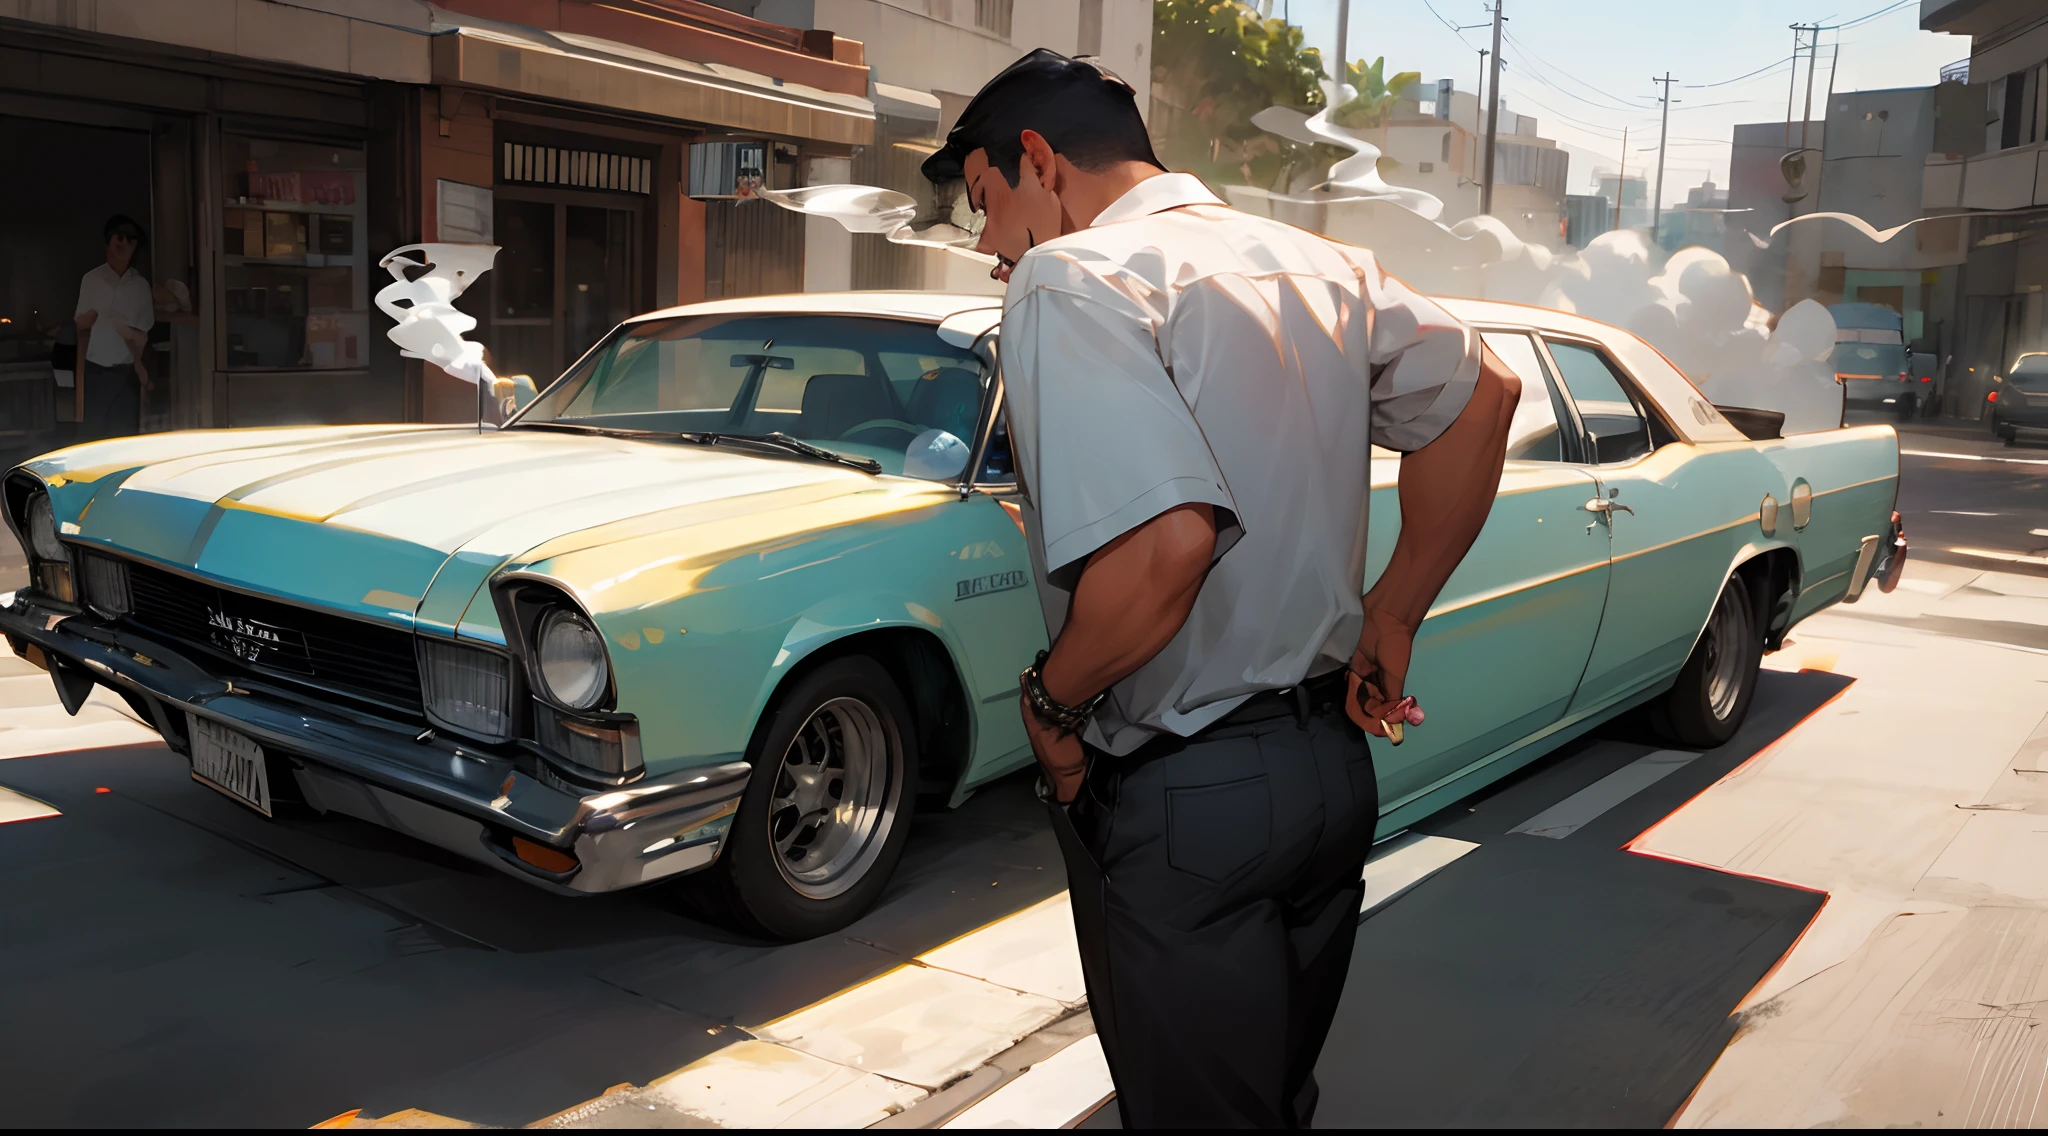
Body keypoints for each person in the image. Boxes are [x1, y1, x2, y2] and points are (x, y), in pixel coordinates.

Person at [921, 50, 1521, 1128]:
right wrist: (1392, 611)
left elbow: (1164, 548)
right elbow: (1484, 398)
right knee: (1273, 1098)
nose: (986, 243)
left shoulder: (1074, 277)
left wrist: (1049, 706)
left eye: (983, 201)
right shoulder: (1323, 264)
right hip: (1331, 773)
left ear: (1038, 161)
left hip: (1184, 789)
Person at [73, 214, 156, 439]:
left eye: (132, 240)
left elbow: (143, 337)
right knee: (90, 438)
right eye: (120, 237)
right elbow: (80, 327)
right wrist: (86, 321)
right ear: (108, 242)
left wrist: (126, 331)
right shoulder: (91, 280)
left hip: (126, 375)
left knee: (122, 439)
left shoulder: (140, 286)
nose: (125, 244)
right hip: (95, 372)